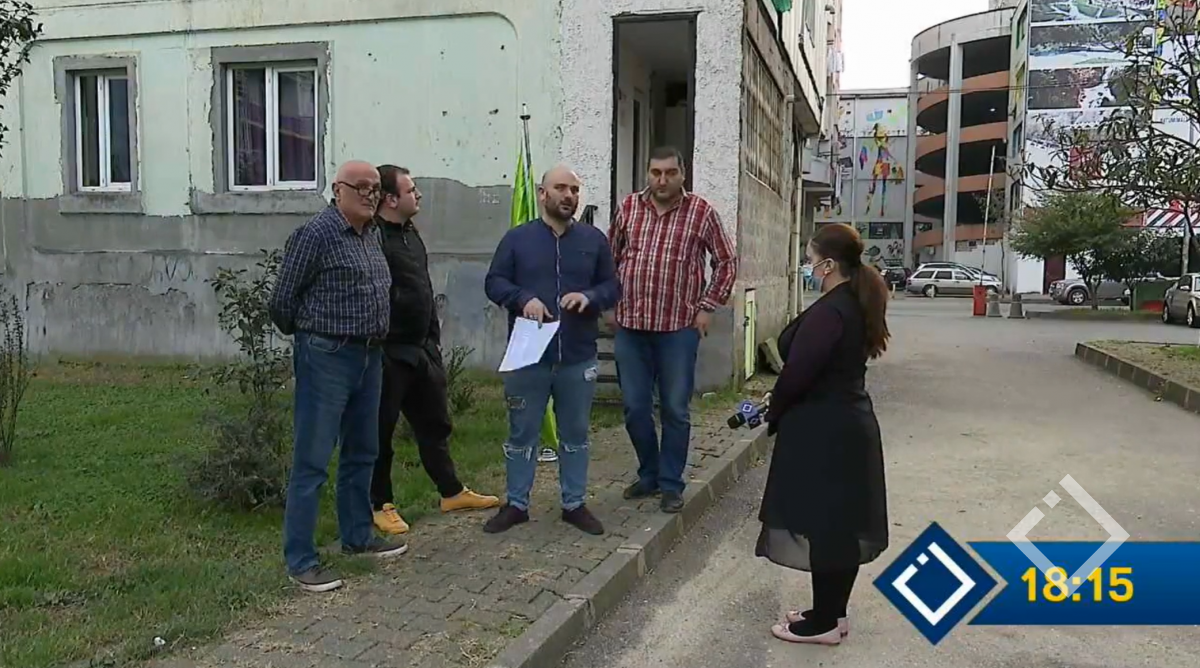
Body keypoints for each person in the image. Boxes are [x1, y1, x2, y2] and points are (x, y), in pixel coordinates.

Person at [268, 160, 408, 594]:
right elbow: (282, 301)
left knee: (363, 451)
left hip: (369, 356)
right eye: (360, 186)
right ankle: (301, 560)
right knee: (312, 459)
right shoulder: (316, 234)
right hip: (327, 356)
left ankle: (357, 536)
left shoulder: (371, 234)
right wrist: (312, 338)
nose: (369, 194)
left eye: (375, 187)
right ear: (337, 189)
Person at [756, 222, 891, 645]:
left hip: (825, 430)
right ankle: (832, 612)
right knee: (837, 523)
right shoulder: (851, 301)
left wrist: (775, 409)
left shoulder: (833, 309)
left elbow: (799, 371)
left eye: (810, 260)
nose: (808, 267)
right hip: (844, 422)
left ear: (829, 264)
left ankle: (825, 624)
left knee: (826, 524)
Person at [483, 165, 620, 535]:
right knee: (522, 433)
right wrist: (521, 298)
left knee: (575, 434)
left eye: (574, 189)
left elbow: (612, 286)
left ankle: (574, 504)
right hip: (528, 356)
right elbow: (494, 282)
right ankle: (516, 504)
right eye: (560, 188)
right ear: (542, 194)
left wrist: (590, 296)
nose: (569, 196)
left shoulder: (593, 240)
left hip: (578, 355)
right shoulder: (518, 239)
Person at [369, 165, 502, 536]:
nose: (419, 195)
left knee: (435, 424)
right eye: (411, 190)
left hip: (422, 349)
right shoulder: (373, 238)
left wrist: (432, 341)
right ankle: (380, 504)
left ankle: (451, 492)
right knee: (380, 432)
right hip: (390, 352)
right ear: (390, 199)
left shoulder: (410, 233)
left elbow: (422, 287)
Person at [607, 146, 737, 513]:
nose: (662, 180)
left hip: (678, 328)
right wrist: (610, 304)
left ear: (683, 174)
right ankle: (648, 474)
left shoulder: (701, 212)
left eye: (670, 173)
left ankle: (670, 484)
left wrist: (707, 306)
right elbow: (609, 258)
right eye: (655, 173)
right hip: (631, 327)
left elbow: (726, 261)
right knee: (635, 408)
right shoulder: (628, 208)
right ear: (648, 174)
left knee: (675, 410)